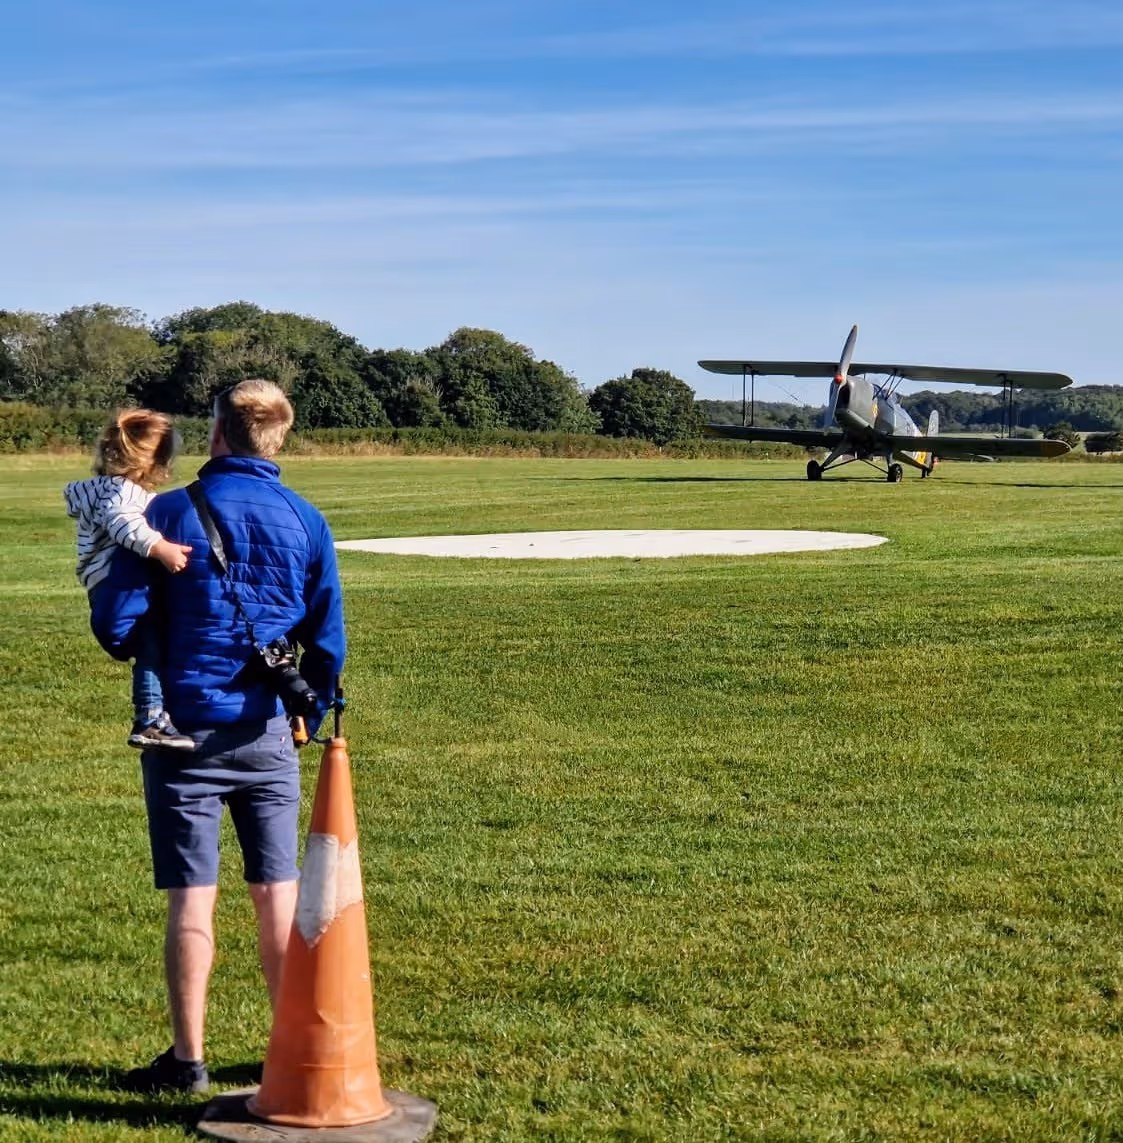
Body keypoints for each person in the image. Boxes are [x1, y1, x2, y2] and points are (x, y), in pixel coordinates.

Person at [91, 379, 345, 1095]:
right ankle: (288, 1048)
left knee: (192, 897)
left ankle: (188, 1058)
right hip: (267, 727)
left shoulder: (168, 510)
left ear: (217, 432)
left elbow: (115, 625)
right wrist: (311, 708)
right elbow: (325, 637)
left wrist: (158, 646)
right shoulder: (305, 518)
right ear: (279, 438)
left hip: (181, 732)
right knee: (277, 893)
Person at [64, 409, 195, 749]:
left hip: (102, 584)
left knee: (151, 641)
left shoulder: (103, 489)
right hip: (116, 581)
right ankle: (151, 719)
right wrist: (161, 547)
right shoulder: (124, 492)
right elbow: (124, 523)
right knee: (150, 644)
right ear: (152, 462)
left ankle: (158, 714)